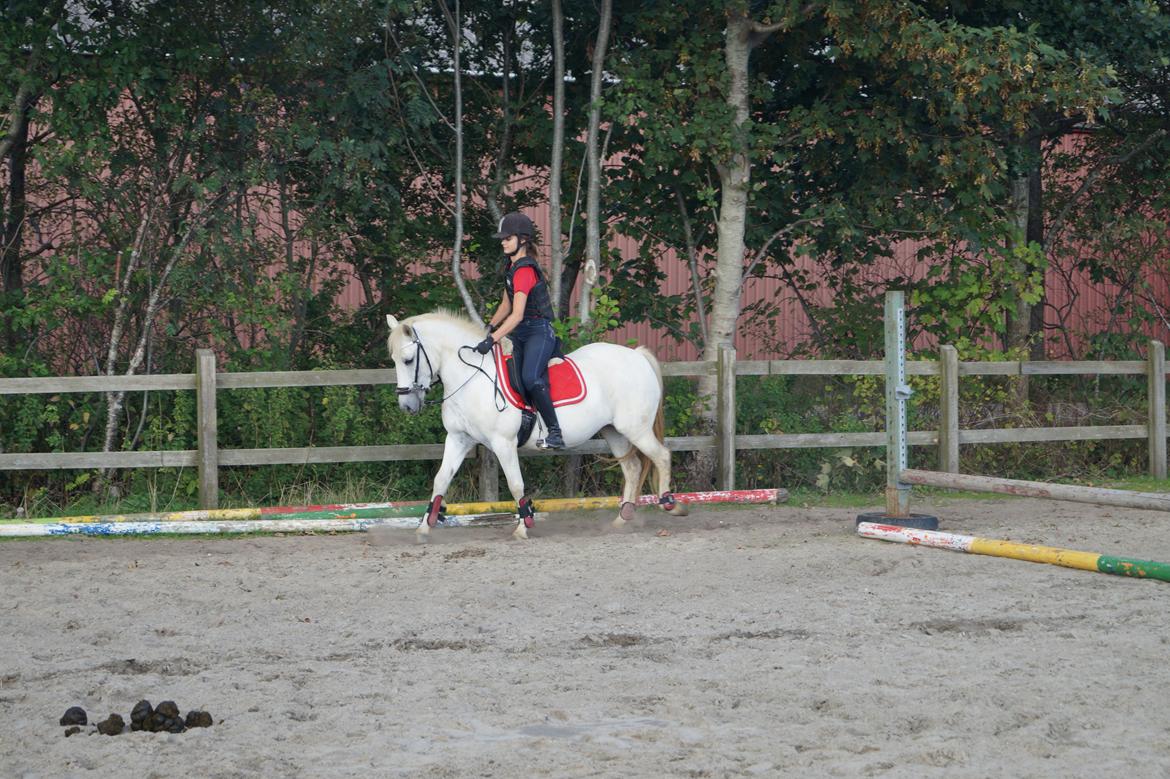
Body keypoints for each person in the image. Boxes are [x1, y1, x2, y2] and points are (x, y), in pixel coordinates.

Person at [474, 212, 565, 450]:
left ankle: (555, 432)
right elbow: (506, 305)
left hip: (538, 331)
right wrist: (489, 327)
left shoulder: (525, 270)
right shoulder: (511, 267)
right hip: (520, 332)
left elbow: (517, 314)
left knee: (530, 378)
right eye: (502, 238)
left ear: (522, 239)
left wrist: (493, 338)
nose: (502, 242)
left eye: (507, 238)